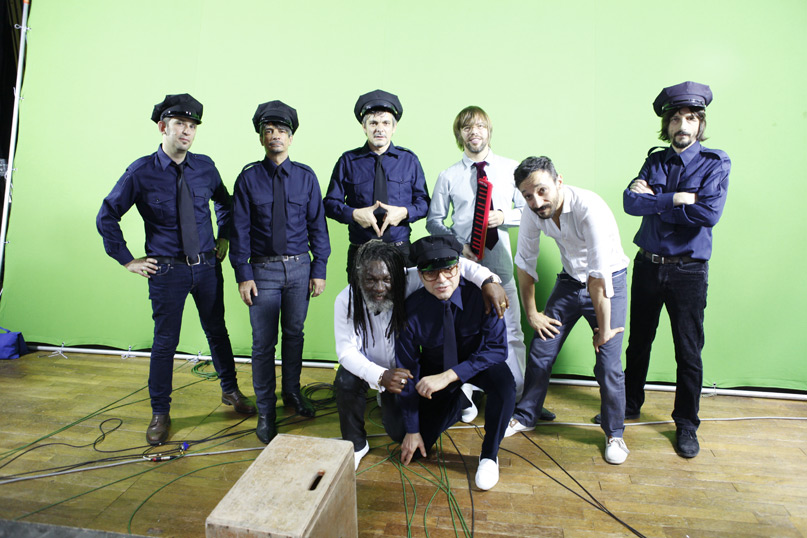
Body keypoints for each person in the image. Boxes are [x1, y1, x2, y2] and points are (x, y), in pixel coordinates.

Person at [97, 93, 255, 446]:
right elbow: (107, 215)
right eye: (180, 124)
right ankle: (160, 412)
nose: (187, 131)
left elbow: (225, 203)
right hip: (167, 272)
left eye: (192, 126)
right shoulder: (141, 172)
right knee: (165, 342)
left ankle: (230, 390)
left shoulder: (205, 167)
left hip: (207, 267)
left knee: (218, 331)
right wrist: (127, 259)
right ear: (163, 127)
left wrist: (224, 237)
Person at [620, 81, 730, 459]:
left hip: (688, 271)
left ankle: (686, 423)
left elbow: (708, 214)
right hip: (648, 265)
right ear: (666, 125)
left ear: (700, 124)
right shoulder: (655, 160)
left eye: (691, 118)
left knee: (688, 350)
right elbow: (630, 203)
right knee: (638, 342)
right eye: (676, 119)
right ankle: (629, 403)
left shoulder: (715, 162)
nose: (683, 125)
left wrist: (657, 201)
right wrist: (679, 198)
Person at [334, 240, 509, 470]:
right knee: (349, 384)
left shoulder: (418, 280)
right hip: (381, 371)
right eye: (370, 280)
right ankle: (356, 445)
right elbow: (346, 351)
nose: (379, 287)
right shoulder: (347, 299)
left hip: (433, 367)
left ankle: (487, 453)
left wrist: (489, 280)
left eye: (386, 279)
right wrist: (381, 376)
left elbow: (452, 265)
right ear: (358, 277)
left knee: (503, 383)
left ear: (400, 276)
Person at [427, 106, 552, 422]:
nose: (474, 132)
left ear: (489, 131)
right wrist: (457, 245)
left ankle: (518, 398)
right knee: (464, 335)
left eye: (480, 126)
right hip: (465, 268)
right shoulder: (448, 176)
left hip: (501, 264)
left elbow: (533, 208)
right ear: (460, 135)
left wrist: (504, 215)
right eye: (467, 127)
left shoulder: (511, 169)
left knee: (512, 333)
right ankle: (466, 397)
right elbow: (433, 221)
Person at [503, 156, 631, 465]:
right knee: (541, 350)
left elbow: (598, 278)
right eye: (528, 195)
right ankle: (527, 415)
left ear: (559, 181)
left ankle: (614, 433)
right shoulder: (533, 212)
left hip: (608, 282)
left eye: (542, 191)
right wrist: (532, 313)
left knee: (608, 364)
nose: (536, 201)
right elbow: (525, 264)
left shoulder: (590, 208)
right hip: (570, 282)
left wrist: (604, 331)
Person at [229, 100, 331, 443]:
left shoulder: (305, 177)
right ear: (261, 138)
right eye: (269, 131)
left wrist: (319, 269)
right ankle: (265, 411)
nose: (276, 136)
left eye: (282, 131)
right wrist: (243, 275)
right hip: (262, 272)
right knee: (263, 344)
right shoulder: (248, 179)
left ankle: (292, 392)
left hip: (300, 269)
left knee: (294, 334)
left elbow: (318, 227)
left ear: (291, 137)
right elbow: (239, 230)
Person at [395, 235, 516, 490]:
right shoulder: (410, 310)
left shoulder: (483, 296)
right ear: (420, 275)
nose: (441, 280)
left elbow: (497, 350)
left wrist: (451, 375)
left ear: (459, 268)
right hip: (434, 370)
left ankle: (489, 456)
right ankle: (461, 401)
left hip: (477, 363)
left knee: (505, 384)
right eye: (431, 273)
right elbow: (407, 369)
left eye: (448, 270)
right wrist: (412, 430)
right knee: (415, 448)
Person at [324, 89, 430, 274]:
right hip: (361, 250)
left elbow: (424, 203)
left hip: (400, 249)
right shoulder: (348, 161)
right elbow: (330, 204)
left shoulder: (409, 160)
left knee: (405, 294)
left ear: (394, 127)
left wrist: (404, 212)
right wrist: (354, 214)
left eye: (385, 123)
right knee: (359, 294)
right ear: (364, 127)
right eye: (373, 123)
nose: (379, 129)